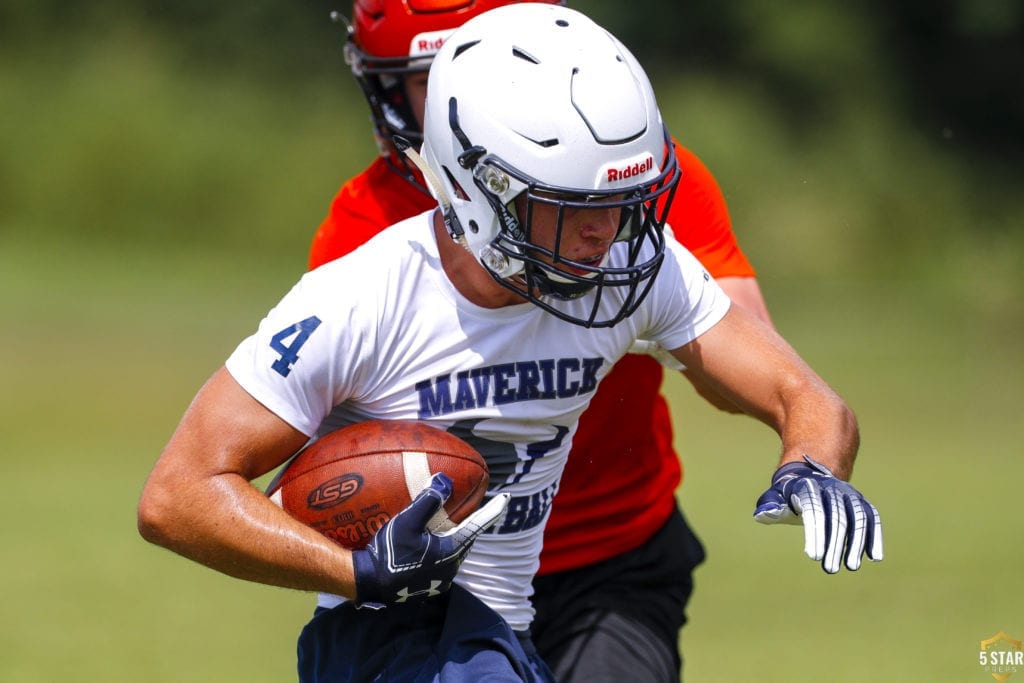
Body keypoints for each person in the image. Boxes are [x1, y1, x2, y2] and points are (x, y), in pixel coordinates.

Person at [137, 5, 883, 683]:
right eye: (575, 208)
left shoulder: (630, 262)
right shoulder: (362, 292)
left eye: (625, 204)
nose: (609, 232)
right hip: (396, 638)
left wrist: (811, 462)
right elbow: (176, 494)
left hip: (535, 608)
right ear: (478, 190)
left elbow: (801, 393)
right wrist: (357, 571)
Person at [309, 1, 774, 680]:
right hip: (445, 575)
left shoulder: (623, 178)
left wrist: (633, 312)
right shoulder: (366, 222)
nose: (454, 98)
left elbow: (745, 347)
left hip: (609, 553)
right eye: (426, 77)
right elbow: (322, 440)